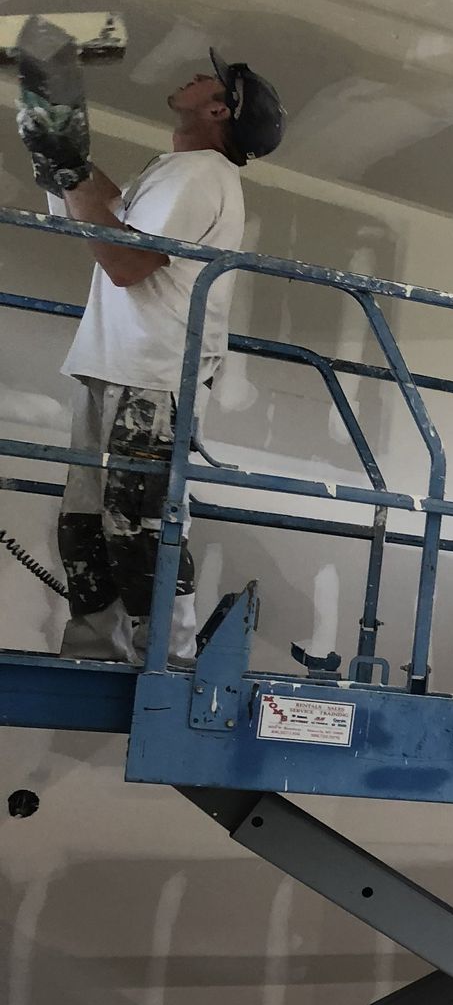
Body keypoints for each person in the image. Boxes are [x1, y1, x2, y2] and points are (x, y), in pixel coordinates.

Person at [20, 51, 284, 663]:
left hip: (152, 377)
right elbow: (115, 218)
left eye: (211, 81)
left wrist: (69, 165)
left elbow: (127, 262)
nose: (194, 76)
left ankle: (169, 657)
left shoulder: (201, 175)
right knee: (88, 525)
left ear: (220, 110)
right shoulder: (175, 172)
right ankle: (96, 648)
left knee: (138, 525)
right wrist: (66, 158)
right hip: (117, 366)